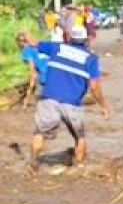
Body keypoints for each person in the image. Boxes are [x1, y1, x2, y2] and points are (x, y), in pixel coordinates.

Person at [30, 24, 111, 169]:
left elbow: (34, 43)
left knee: (40, 132)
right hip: (72, 103)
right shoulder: (91, 59)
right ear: (86, 39)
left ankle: (33, 163)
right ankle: (79, 166)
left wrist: (25, 34)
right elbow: (94, 86)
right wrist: (103, 106)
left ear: (69, 37)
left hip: (49, 98)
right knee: (79, 137)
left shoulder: (56, 47)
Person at [16, 31, 49, 107]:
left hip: (44, 73)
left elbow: (32, 67)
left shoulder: (26, 50)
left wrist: (31, 80)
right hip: (53, 70)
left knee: (39, 96)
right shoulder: (39, 45)